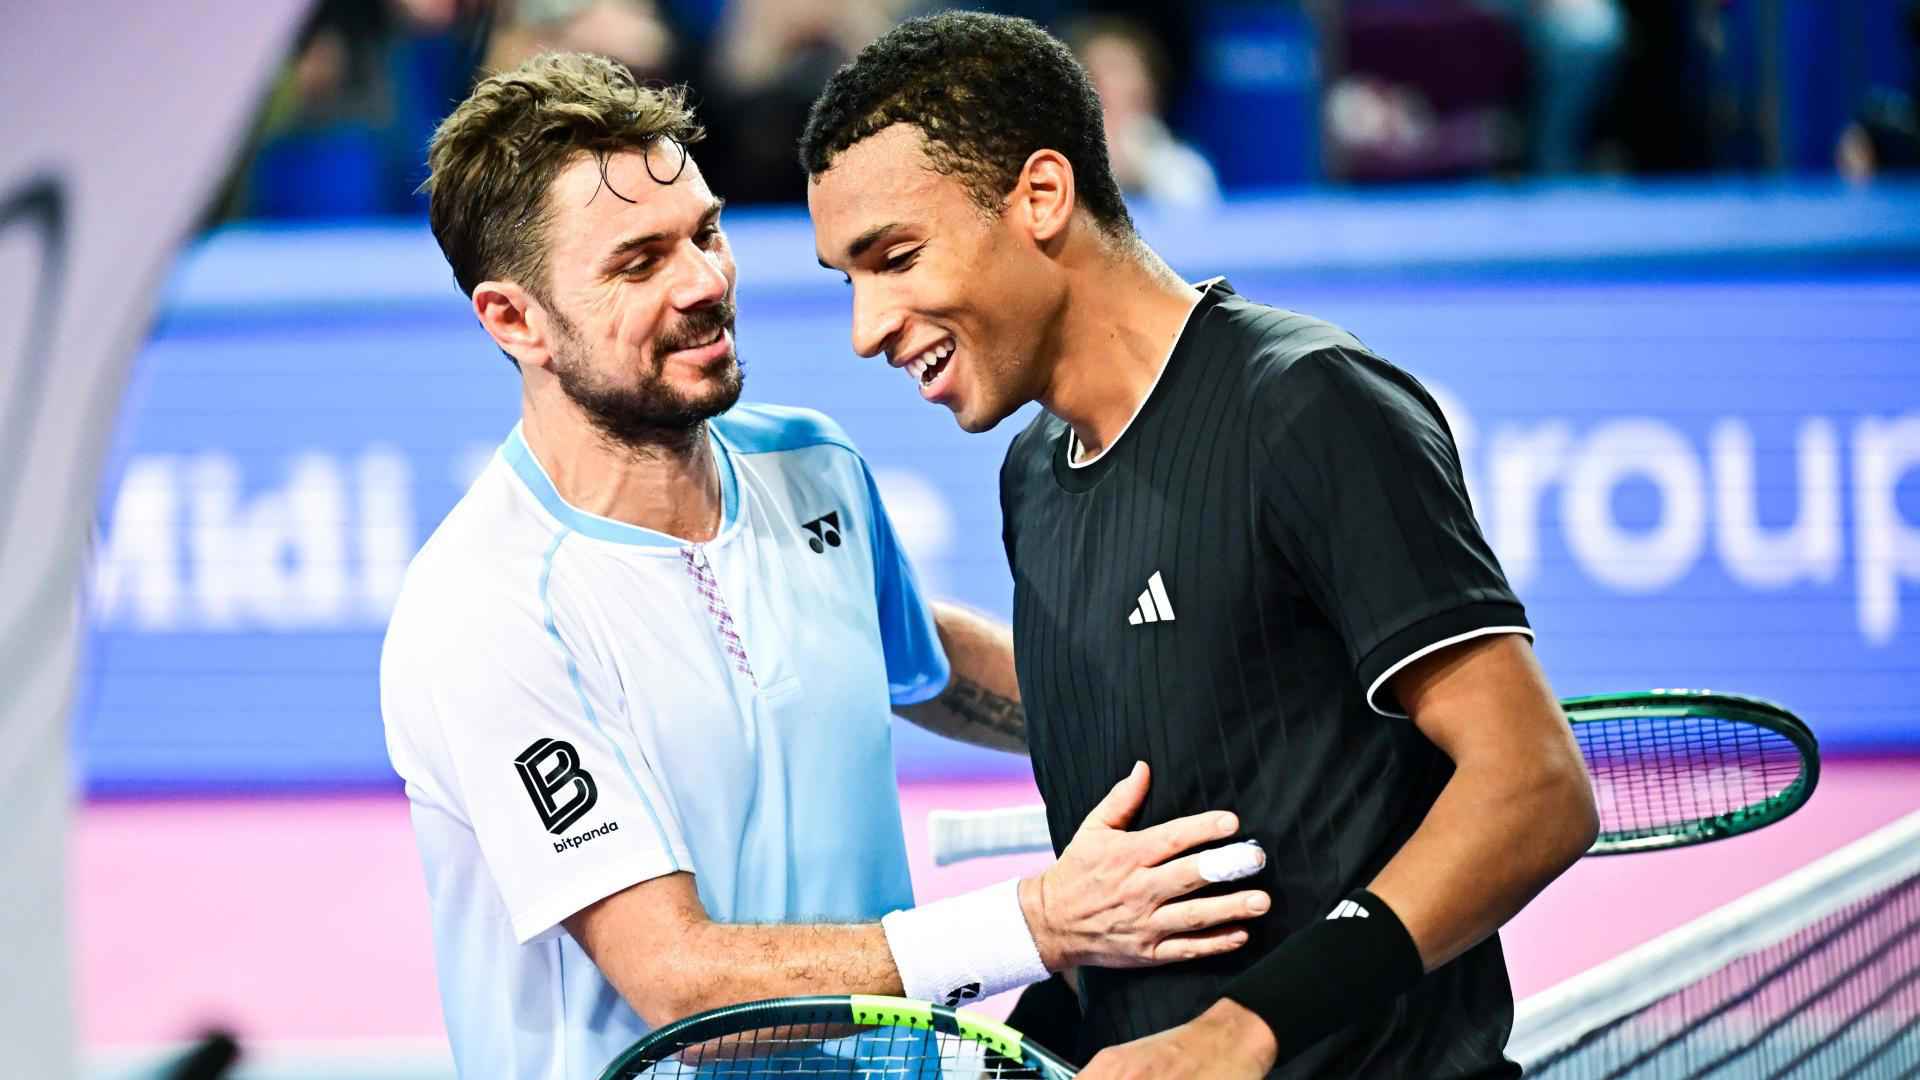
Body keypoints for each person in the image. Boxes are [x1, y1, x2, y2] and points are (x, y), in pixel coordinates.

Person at [380, 50, 1269, 1079]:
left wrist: (1217, 716)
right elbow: (677, 979)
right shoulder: (483, 611)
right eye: (640, 263)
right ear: (514, 319)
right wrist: (1038, 923)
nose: (705, 282)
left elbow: (922, 659)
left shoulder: (811, 466)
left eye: (706, 233)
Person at [801, 13, 1600, 1078]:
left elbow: (1534, 788)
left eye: (896, 259)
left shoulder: (1308, 405)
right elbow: (1158, 888)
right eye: (848, 281)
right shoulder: (1033, 478)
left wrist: (1243, 1030)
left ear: (1041, 196)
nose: (867, 327)